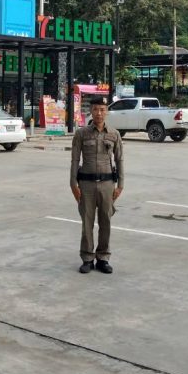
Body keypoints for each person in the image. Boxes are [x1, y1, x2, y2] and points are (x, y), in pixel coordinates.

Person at [69, 95, 123, 274]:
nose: (99, 113)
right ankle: (87, 258)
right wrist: (73, 184)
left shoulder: (114, 134)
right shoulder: (81, 134)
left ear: (106, 111)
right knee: (87, 222)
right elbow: (75, 159)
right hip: (86, 185)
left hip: (107, 185)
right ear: (90, 111)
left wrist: (120, 185)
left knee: (105, 221)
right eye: (95, 109)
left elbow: (120, 160)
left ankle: (103, 258)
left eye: (102, 109)